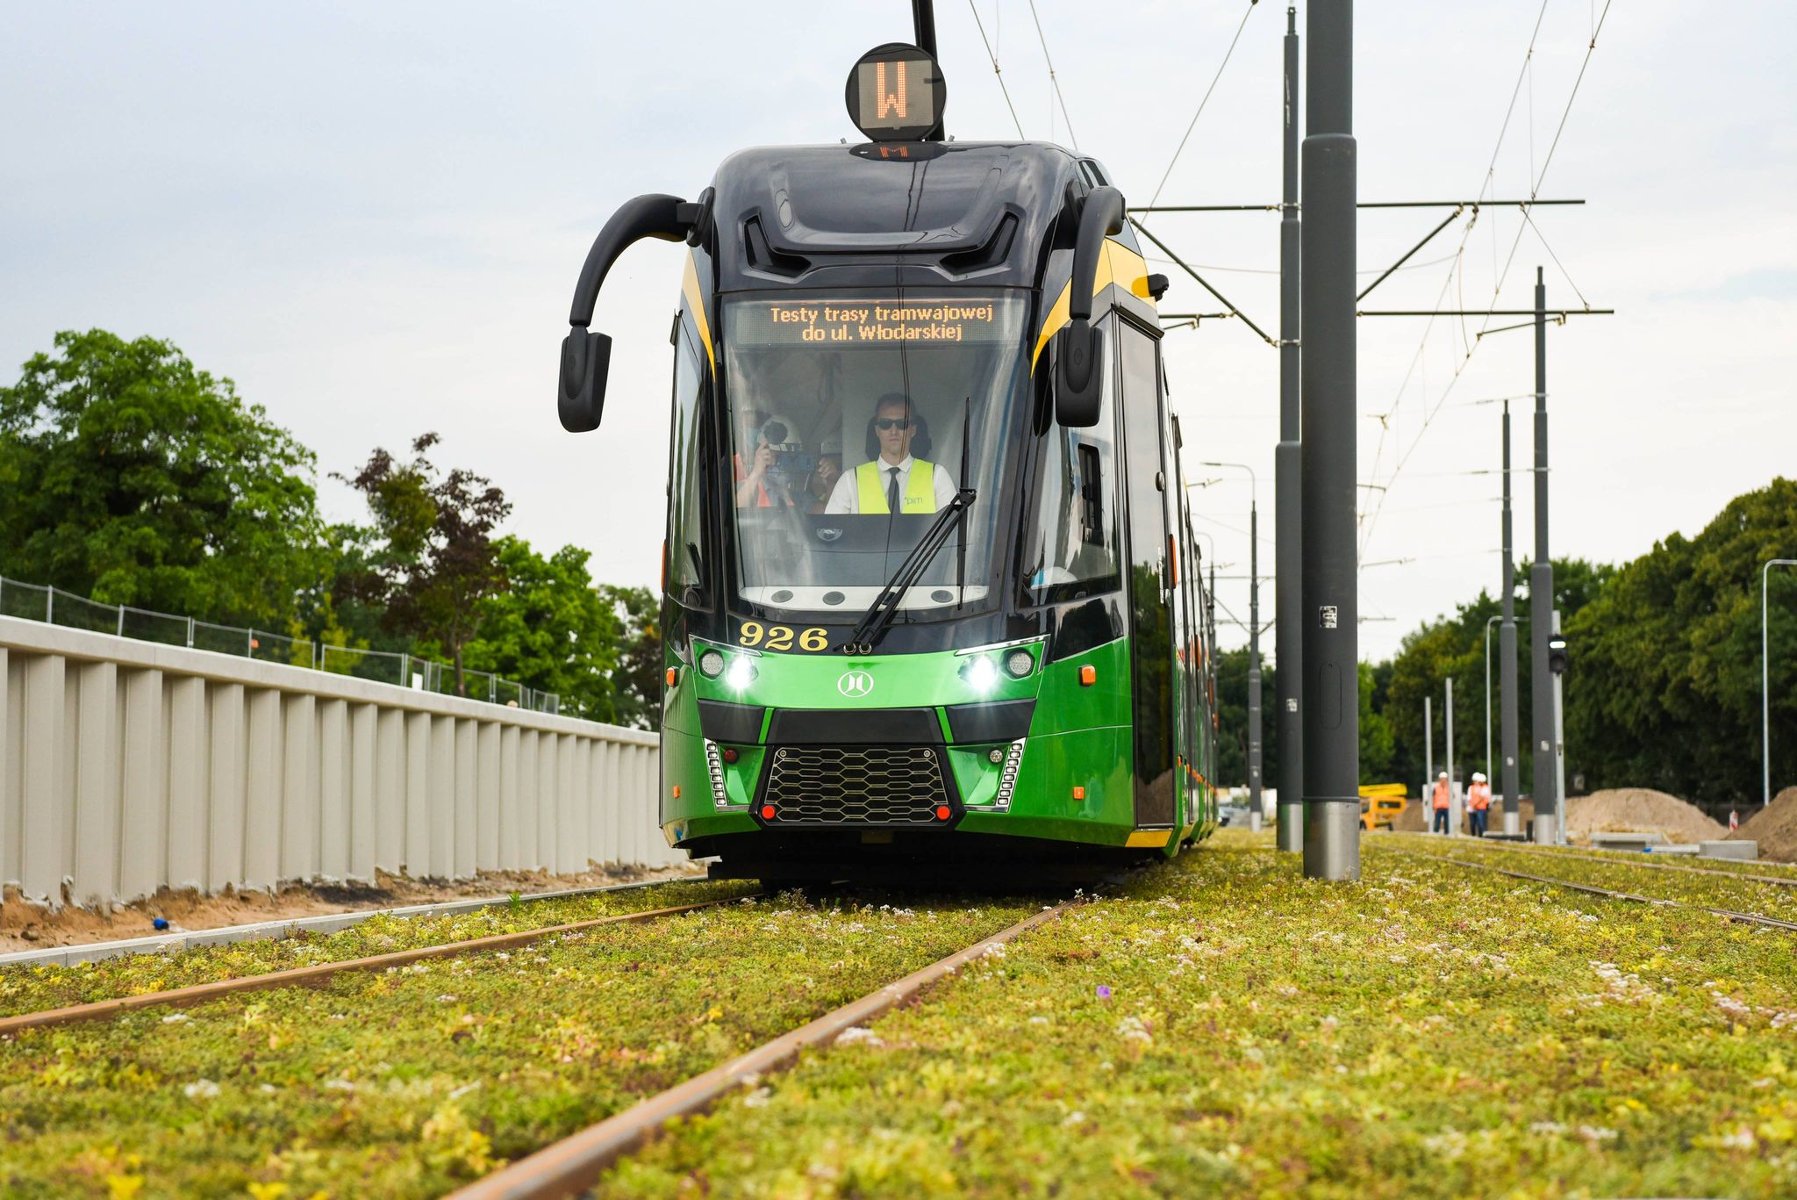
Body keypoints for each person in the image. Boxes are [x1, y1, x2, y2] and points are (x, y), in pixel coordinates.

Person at [825, 392, 956, 514]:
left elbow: (954, 531)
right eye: (885, 424)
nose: (893, 431)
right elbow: (832, 531)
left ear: (913, 430)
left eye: (901, 423)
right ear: (877, 430)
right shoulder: (850, 480)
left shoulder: (937, 476)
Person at [1467, 771, 1491, 837]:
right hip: (1474, 808)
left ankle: (1482, 835)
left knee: (1481, 823)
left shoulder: (1484, 788)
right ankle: (1476, 835)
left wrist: (1475, 804)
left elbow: (1483, 798)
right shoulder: (1471, 788)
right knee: (1474, 823)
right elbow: (1470, 798)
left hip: (1480, 808)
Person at [1431, 770, 1452, 835]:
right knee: (1437, 822)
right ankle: (1435, 833)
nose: (1443, 780)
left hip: (1446, 807)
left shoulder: (1449, 788)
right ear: (1439, 779)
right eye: (1442, 779)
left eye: (1444, 779)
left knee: (1447, 822)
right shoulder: (1436, 788)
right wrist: (1433, 807)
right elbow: (1433, 798)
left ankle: (1447, 834)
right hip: (1438, 807)